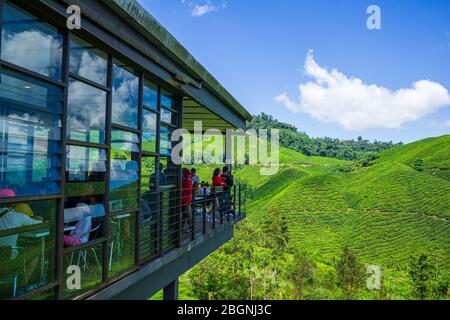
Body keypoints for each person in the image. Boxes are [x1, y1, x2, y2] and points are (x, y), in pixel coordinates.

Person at [181, 168, 193, 233]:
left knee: (187, 214)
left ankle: (189, 227)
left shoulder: (186, 180)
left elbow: (188, 190)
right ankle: (184, 227)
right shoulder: (189, 179)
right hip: (187, 199)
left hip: (185, 199)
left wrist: (181, 189)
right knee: (186, 214)